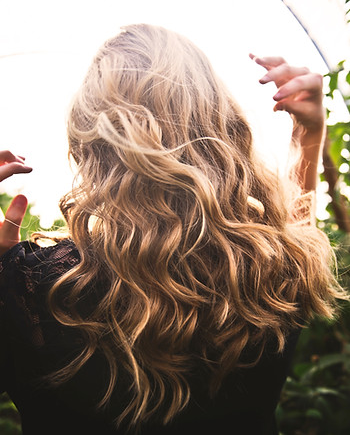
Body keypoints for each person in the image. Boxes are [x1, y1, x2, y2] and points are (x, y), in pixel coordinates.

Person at [0, 24, 347, 435]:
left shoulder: (32, 287)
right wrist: (308, 134)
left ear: (90, 140)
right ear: (221, 125)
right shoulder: (277, 267)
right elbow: (294, 229)